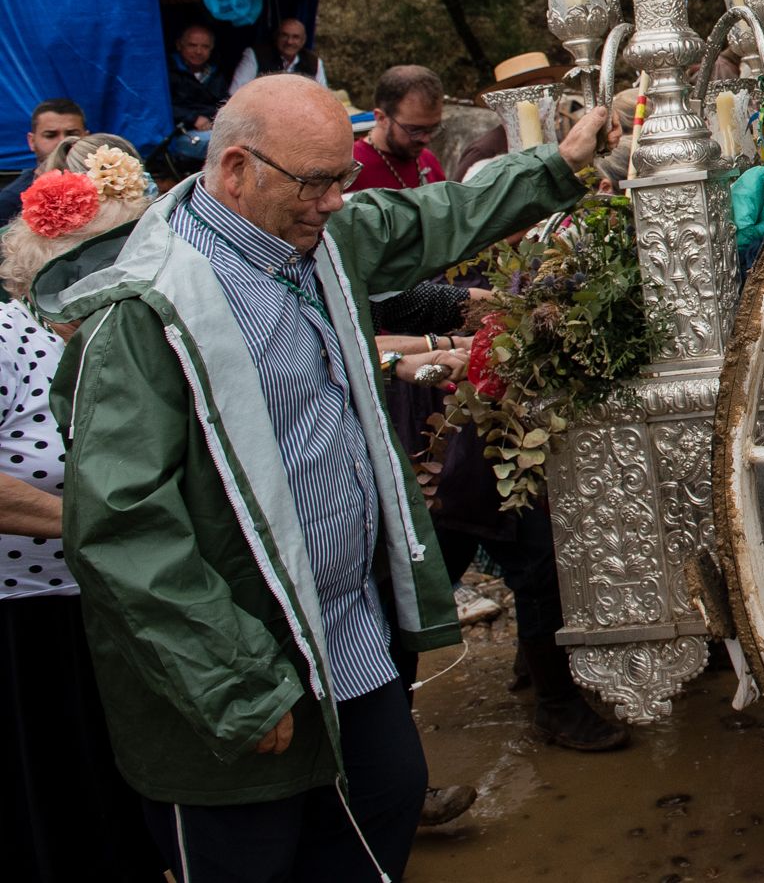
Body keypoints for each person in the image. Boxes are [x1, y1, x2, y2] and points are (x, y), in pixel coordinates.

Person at [35, 74, 609, 883]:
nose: (339, 200)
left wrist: (557, 161)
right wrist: (234, 681)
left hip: (349, 637)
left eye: (344, 177)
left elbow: (425, 217)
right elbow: (121, 524)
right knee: (255, 852)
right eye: (320, 181)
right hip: (241, 669)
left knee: (386, 800)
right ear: (236, 169)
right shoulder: (146, 309)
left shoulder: (313, 238)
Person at [349, 84, 629, 761]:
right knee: (428, 575)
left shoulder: (382, 201)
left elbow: (398, 295)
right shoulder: (351, 197)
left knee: (522, 548)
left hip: (462, 403)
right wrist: (445, 339)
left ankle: (541, 685)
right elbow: (381, 309)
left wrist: (465, 305)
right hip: (424, 415)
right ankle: (393, 745)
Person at [0, 137, 167, 882]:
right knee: (61, 801)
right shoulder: (8, 335)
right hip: (30, 614)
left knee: (119, 792)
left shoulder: (114, 328)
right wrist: (94, 529)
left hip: (110, 597)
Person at [356, 65, 447, 192]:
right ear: (381, 118)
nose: (426, 139)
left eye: (433, 128)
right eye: (415, 130)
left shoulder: (428, 160)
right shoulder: (349, 168)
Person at [0, 97, 88, 228]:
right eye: (50, 135)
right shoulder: (10, 201)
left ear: (86, 137)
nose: (62, 142)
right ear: (32, 141)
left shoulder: (107, 185)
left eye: (71, 134)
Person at [168, 21, 230, 164]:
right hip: (179, 135)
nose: (198, 51)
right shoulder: (168, 72)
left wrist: (214, 119)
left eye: (205, 47)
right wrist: (193, 118)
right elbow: (162, 107)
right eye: (192, 45)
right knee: (220, 146)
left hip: (212, 129)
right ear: (179, 45)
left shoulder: (215, 73)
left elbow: (223, 102)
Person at [232, 15, 331, 93]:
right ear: (276, 37)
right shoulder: (255, 55)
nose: (289, 42)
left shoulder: (314, 62)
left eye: (295, 37)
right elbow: (235, 92)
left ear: (303, 41)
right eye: (284, 35)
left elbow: (323, 96)